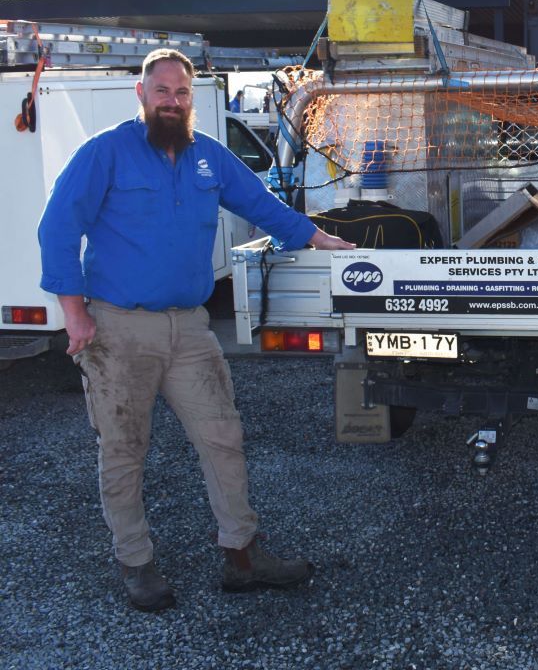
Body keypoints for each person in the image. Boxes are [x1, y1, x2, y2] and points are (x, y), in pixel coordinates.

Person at [38, 49, 354, 612]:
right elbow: (58, 228)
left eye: (181, 92)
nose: (172, 101)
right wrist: (75, 312)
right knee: (124, 448)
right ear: (141, 94)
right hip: (118, 329)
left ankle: (242, 554)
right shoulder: (105, 154)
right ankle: (135, 562)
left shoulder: (208, 156)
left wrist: (315, 238)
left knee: (223, 438)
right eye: (161, 91)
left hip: (190, 328)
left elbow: (260, 202)